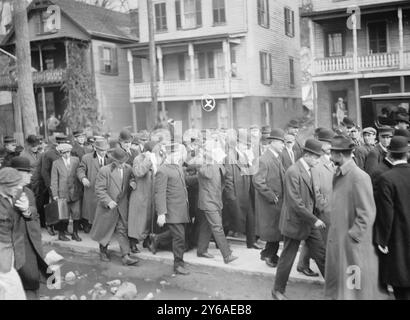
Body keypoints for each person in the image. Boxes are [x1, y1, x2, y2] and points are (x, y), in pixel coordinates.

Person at [325, 135, 387, 300]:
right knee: (343, 289)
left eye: (332, 152)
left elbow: (367, 212)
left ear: (340, 154)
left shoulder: (359, 177)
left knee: (355, 291)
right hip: (341, 240)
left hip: (352, 245)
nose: (330, 156)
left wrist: (353, 235)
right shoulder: (339, 173)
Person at [272, 139, 326, 300]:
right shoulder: (293, 171)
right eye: (317, 157)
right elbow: (295, 202)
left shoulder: (311, 169)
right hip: (295, 223)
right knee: (287, 258)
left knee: (322, 254)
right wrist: (314, 219)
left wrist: (320, 210)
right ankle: (277, 291)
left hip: (309, 222)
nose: (318, 160)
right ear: (308, 155)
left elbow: (314, 194)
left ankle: (335, 288)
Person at [374, 136, 410, 300]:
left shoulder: (386, 178)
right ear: (406, 153)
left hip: (398, 239)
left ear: (389, 153)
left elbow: (386, 214)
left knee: (401, 286)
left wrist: (382, 240)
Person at [9, 157, 51, 299]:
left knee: (32, 282)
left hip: (31, 243)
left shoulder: (28, 192)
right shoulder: (6, 195)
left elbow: (34, 214)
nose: (31, 175)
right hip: (15, 247)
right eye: (26, 172)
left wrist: (27, 210)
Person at [90, 147, 139, 266]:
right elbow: (99, 189)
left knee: (122, 230)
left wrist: (132, 183)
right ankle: (103, 251)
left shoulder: (128, 169)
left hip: (121, 206)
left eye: (124, 162)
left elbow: (132, 179)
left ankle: (126, 256)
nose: (123, 165)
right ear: (114, 161)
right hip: (107, 207)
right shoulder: (104, 171)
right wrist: (108, 201)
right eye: (120, 162)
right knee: (105, 230)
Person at [154, 143, 191, 274]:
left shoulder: (177, 168)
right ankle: (177, 264)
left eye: (178, 154)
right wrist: (161, 213)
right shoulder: (162, 170)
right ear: (168, 155)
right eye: (175, 154)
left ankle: (156, 239)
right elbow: (160, 193)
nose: (178, 157)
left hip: (181, 209)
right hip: (171, 210)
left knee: (179, 235)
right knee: (179, 237)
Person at [253, 129, 286, 268]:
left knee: (275, 230)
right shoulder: (264, 159)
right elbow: (258, 181)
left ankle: (269, 253)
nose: (283, 146)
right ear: (272, 143)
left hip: (277, 202)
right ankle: (269, 255)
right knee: (273, 231)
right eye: (280, 143)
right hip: (270, 202)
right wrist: (271, 196)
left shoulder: (275, 157)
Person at [224, 133, 259, 250]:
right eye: (244, 144)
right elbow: (228, 177)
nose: (246, 146)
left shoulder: (243, 154)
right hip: (236, 192)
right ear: (237, 143)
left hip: (246, 190)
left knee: (250, 216)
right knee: (228, 219)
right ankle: (221, 241)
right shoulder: (230, 156)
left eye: (248, 145)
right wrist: (231, 196)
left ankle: (251, 242)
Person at [0, 168, 27, 300]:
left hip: (15, 247)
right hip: (2, 249)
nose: (19, 187)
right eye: (15, 185)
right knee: (12, 285)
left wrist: (27, 209)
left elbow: (31, 213)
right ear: (3, 186)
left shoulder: (17, 192)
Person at [128, 141, 158, 253]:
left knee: (148, 220)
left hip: (151, 195)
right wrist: (148, 160)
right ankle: (132, 243)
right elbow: (138, 172)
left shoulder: (155, 159)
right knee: (137, 221)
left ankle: (146, 241)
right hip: (140, 194)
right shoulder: (138, 159)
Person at [77, 139, 110, 233]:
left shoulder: (110, 158)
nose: (103, 152)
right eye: (101, 150)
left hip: (105, 189)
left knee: (104, 209)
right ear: (95, 149)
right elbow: (80, 170)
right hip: (91, 188)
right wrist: (83, 178)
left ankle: (102, 228)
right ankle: (88, 224)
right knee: (91, 209)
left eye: (105, 150)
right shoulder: (86, 158)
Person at [50, 143, 82, 242]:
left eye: (68, 152)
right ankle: (61, 234)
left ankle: (75, 233)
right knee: (64, 215)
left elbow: (80, 173)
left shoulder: (76, 160)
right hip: (62, 193)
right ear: (60, 153)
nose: (66, 154)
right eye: (64, 153)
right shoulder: (56, 163)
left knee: (76, 213)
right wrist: (55, 194)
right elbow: (54, 180)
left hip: (75, 192)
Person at [41, 134, 69, 236]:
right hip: (53, 184)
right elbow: (44, 171)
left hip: (64, 186)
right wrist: (50, 186)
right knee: (53, 207)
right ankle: (50, 225)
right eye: (62, 143)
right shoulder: (49, 154)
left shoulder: (67, 152)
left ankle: (62, 228)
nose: (63, 145)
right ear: (58, 143)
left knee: (64, 207)